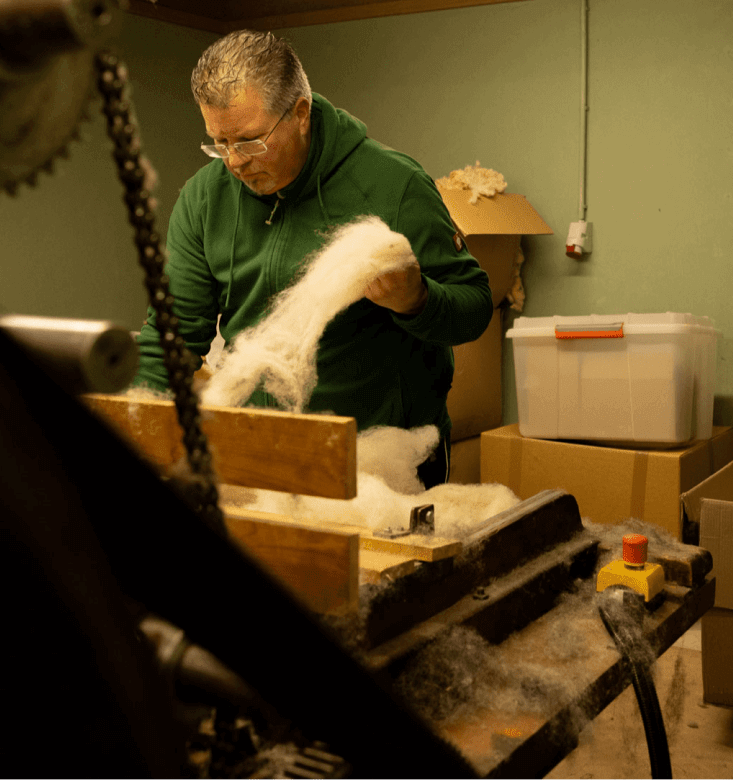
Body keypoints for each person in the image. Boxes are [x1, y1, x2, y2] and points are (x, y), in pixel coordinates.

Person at [132, 30, 492, 488]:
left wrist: (416, 301)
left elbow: (475, 307)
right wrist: (130, 416)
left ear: (300, 114)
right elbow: (173, 336)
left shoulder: (392, 185)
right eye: (217, 142)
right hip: (260, 458)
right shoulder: (205, 200)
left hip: (385, 465)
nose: (233, 162)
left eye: (249, 141)